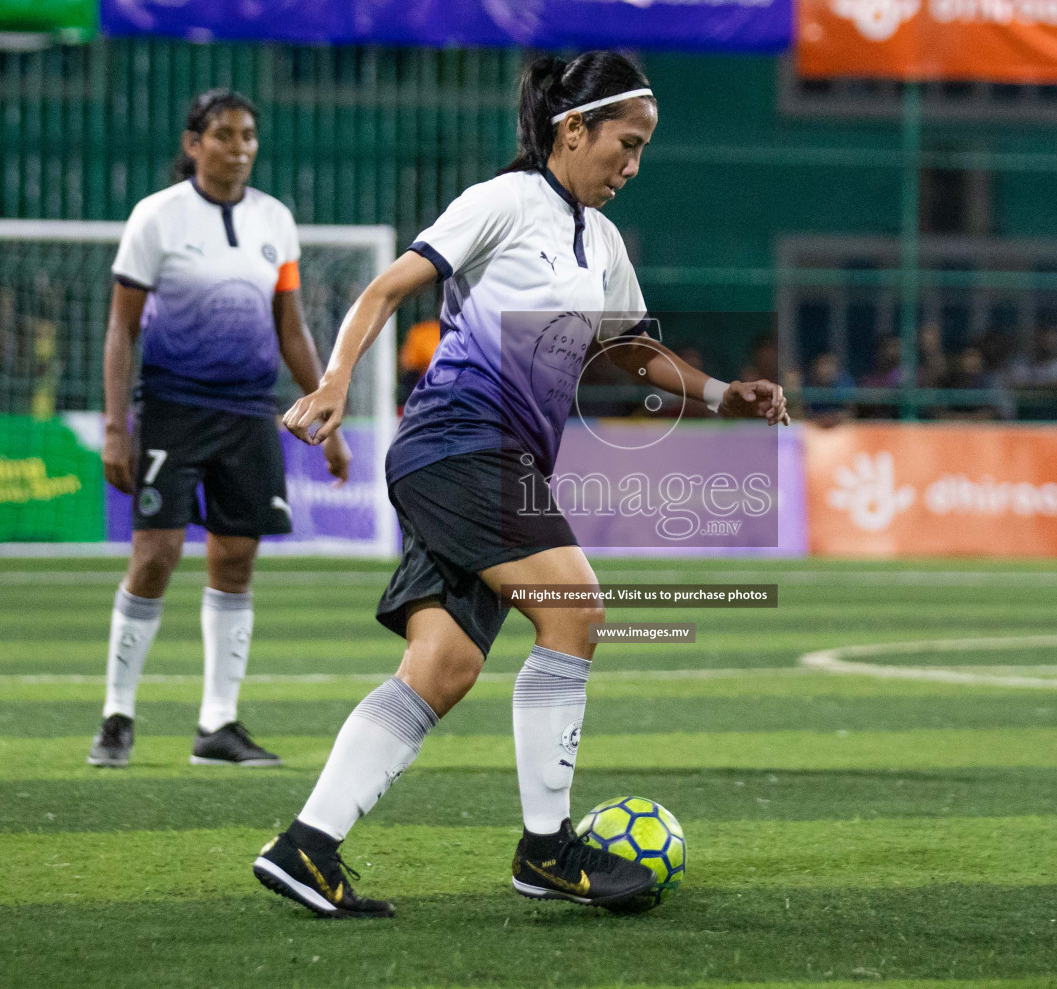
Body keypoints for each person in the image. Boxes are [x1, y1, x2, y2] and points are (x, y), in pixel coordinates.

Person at [251, 52, 788, 919]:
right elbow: (387, 287)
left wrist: (728, 393)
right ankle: (546, 849)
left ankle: (306, 848)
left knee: (446, 664)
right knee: (573, 606)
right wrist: (338, 379)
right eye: (625, 143)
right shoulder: (503, 201)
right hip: (461, 443)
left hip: (485, 460)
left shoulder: (602, 243)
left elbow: (633, 353)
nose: (632, 166)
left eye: (643, 149)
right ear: (570, 130)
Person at [88, 89, 350, 769]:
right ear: (192, 143)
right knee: (155, 556)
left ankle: (218, 727)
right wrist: (116, 425)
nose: (239, 147)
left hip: (247, 412)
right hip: (172, 407)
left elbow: (289, 326)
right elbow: (121, 327)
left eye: (248, 136)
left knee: (235, 560)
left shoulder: (275, 220)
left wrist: (325, 406)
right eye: (225, 135)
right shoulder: (157, 217)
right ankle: (117, 715)